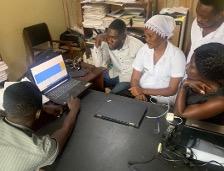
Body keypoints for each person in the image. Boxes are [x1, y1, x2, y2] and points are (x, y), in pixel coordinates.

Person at [0, 81, 80, 171]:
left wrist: (42, 108)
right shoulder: (40, 150)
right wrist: (74, 109)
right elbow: (66, 129)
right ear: (38, 114)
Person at [129, 15, 186, 104]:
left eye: (150, 36)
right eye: (145, 36)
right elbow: (135, 78)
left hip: (163, 100)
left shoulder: (177, 56)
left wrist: (142, 91)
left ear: (163, 35)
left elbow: (172, 90)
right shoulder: (144, 49)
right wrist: (137, 93)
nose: (147, 39)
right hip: (142, 94)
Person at [174, 43, 224, 123]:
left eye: (192, 66)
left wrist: (183, 86)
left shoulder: (220, 101)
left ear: (206, 74)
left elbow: (179, 114)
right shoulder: (195, 82)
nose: (186, 66)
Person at [93, 19, 144, 93]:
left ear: (123, 37)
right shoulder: (107, 41)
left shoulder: (138, 46)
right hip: (115, 74)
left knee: (112, 96)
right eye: (108, 36)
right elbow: (98, 64)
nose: (110, 40)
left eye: (113, 38)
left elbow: (144, 71)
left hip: (129, 80)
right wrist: (97, 43)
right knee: (94, 82)